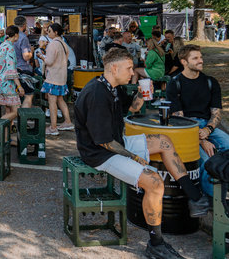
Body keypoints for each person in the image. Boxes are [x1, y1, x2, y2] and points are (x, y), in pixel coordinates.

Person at [74, 48, 210, 258]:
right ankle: (156, 244)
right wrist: (134, 157)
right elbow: (103, 142)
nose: (132, 72)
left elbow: (134, 109)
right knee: (154, 182)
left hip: (117, 142)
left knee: (164, 141)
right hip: (100, 153)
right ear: (114, 67)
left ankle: (195, 198)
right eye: (129, 68)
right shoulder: (96, 94)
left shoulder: (112, 87)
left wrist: (140, 93)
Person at [167, 44, 229, 197]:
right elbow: (179, 120)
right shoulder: (174, 83)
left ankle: (225, 189)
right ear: (184, 62)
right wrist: (201, 140)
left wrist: (207, 130)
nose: (200, 61)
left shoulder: (210, 82)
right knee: (205, 159)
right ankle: (213, 200)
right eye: (195, 58)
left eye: (200, 57)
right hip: (186, 128)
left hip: (207, 125)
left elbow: (216, 113)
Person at [40, 23, 74, 135]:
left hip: (53, 77)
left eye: (49, 31)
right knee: (60, 100)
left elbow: (49, 61)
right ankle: (68, 122)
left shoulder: (53, 44)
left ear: (56, 32)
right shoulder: (63, 44)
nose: (47, 32)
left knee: (52, 102)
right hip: (61, 76)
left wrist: (41, 55)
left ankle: (53, 127)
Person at [0, 25, 25, 124]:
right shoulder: (10, 48)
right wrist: (19, 86)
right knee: (15, 111)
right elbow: (11, 70)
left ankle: (6, 137)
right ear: (15, 35)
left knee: (8, 110)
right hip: (7, 83)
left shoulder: (2, 45)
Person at [12, 16, 34, 108]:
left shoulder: (9, 36)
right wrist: (31, 52)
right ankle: (23, 119)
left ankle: (13, 118)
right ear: (24, 25)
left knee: (14, 96)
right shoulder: (23, 37)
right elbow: (26, 56)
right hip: (23, 69)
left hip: (11, 69)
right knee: (28, 95)